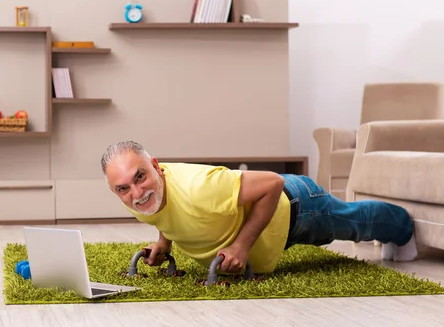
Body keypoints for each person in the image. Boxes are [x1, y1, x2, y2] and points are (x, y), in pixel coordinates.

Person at [100, 140, 417, 275]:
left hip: (296, 206)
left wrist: (241, 245)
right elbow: (165, 212)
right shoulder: (137, 196)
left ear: (155, 166)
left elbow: (272, 184)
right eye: (123, 188)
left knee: (354, 225)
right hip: (274, 225)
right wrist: (163, 241)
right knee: (352, 226)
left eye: (140, 177)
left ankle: (404, 227)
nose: (137, 192)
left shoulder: (202, 186)